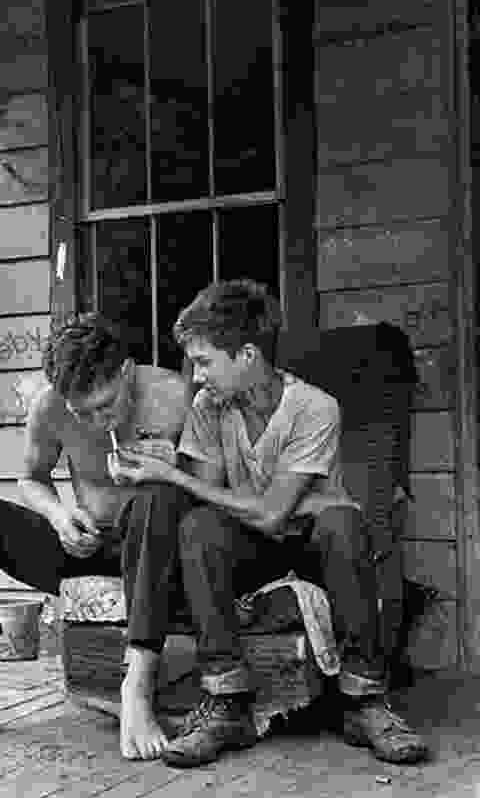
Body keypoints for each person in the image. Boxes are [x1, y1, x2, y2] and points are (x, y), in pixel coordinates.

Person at [111, 279, 429, 768]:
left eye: (204, 362)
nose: (196, 378)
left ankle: (365, 703)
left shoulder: (315, 408)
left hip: (314, 549)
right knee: (199, 530)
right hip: (253, 546)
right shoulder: (209, 408)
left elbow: (273, 512)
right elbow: (210, 504)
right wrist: (170, 473)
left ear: (247, 356)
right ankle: (227, 704)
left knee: (342, 523)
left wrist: (172, 474)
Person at [0, 313, 195, 761]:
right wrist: (61, 516)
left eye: (106, 405)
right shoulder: (50, 406)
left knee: (153, 501)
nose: (98, 420)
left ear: (127, 372)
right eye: (82, 412)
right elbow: (31, 478)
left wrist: (168, 468)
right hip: (89, 543)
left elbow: (211, 490)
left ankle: (137, 687)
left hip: (158, 552)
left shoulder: (175, 396)